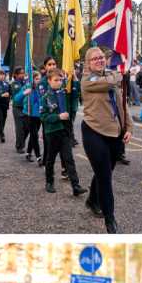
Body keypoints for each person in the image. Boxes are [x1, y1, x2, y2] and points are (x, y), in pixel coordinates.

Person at [74, 47, 130, 233]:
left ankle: (92, 200)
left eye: (101, 57)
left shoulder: (111, 76)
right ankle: (110, 219)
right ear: (88, 63)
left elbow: (122, 105)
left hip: (114, 133)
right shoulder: (87, 80)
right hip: (94, 131)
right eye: (94, 59)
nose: (99, 60)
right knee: (105, 178)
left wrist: (128, 127)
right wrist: (121, 74)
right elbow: (108, 83)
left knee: (104, 172)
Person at [37, 68, 86, 197]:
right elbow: (43, 116)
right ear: (49, 81)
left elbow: (75, 94)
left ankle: (75, 186)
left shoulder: (65, 94)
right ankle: (49, 182)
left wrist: (74, 79)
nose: (59, 82)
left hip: (65, 131)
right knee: (50, 159)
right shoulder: (45, 98)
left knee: (69, 159)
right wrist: (58, 117)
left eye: (60, 80)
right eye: (56, 80)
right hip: (52, 132)